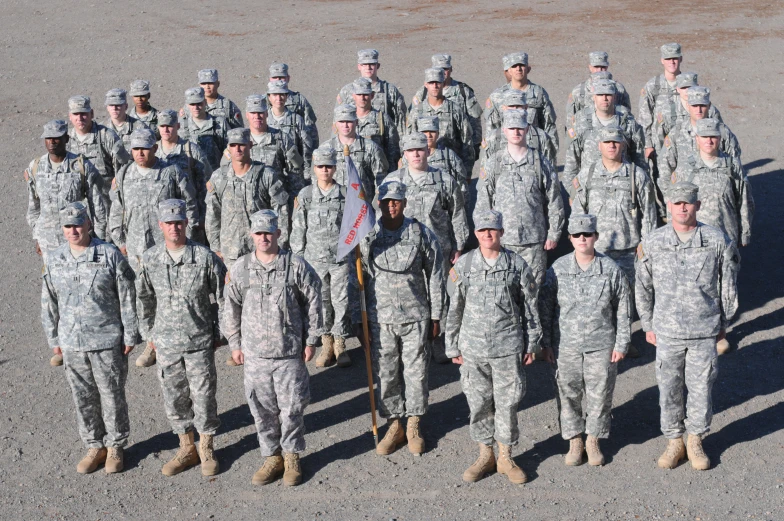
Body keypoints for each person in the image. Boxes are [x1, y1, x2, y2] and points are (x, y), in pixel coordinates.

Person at [636, 182, 740, 471]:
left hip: (703, 329)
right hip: (667, 330)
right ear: (668, 206)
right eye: (677, 202)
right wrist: (647, 323)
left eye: (688, 202)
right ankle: (674, 440)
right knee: (668, 388)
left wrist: (724, 321)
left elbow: (728, 284)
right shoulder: (654, 241)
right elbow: (643, 286)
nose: (682, 207)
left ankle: (695, 439)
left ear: (698, 205)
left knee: (700, 387)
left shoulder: (715, 239)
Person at [224, 209, 323, 486]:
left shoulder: (296, 265)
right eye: (258, 233)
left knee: (292, 408)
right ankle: (271, 456)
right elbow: (229, 307)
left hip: (289, 352)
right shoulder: (241, 268)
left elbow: (314, 301)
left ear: (279, 233)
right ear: (251, 235)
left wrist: (312, 339)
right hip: (255, 354)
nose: (264, 237)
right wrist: (234, 343)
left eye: (269, 232)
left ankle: (292, 456)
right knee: (262, 409)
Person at [41, 202, 139, 474]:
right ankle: (95, 445)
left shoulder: (108, 254)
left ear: (88, 224)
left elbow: (128, 296)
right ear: (63, 229)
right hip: (72, 341)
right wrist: (53, 338)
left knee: (111, 395)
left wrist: (130, 332)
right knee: (82, 396)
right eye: (68, 226)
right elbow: (48, 300)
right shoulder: (55, 258)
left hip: (106, 339)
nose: (74, 231)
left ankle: (116, 446)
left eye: (78, 224)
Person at [446, 209, 540, 484]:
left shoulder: (516, 265)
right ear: (476, 234)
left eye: (492, 230)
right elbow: (455, 307)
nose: (487, 234)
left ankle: (505, 456)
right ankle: (484, 454)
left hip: (507, 346)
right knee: (478, 403)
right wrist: (452, 345)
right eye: (482, 230)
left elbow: (530, 308)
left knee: (508, 404)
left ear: (501, 232)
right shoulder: (464, 265)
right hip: (472, 348)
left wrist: (532, 342)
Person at [354, 180, 445, 456]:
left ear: (404, 203)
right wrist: (359, 320)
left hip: (416, 316)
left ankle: (414, 423)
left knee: (416, 374)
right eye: (385, 201)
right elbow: (357, 279)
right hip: (380, 319)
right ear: (378, 204)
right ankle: (394, 425)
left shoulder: (420, 233)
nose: (390, 205)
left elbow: (437, 275)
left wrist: (437, 314)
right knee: (387, 374)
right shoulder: (368, 237)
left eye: (396, 200)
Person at [136, 199, 226, 477]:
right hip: (166, 343)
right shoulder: (150, 259)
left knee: (203, 396)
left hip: (199, 341)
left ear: (186, 223)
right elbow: (143, 298)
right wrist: (148, 334)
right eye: (169, 223)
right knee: (174, 397)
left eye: (179, 222)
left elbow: (224, 296)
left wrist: (220, 333)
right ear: (160, 225)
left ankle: (207, 447)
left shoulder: (204, 257)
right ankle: (186, 447)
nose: (174, 228)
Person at [540, 214, 631, 467]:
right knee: (567, 393)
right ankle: (574, 440)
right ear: (569, 238)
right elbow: (546, 308)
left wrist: (622, 343)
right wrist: (545, 343)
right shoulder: (558, 269)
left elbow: (623, 308)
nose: (582, 239)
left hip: (601, 344)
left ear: (596, 237)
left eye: (587, 234)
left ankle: (593, 439)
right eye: (577, 235)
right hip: (565, 345)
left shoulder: (610, 269)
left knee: (600, 393)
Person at [109, 128, 199, 368]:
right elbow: (117, 208)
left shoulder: (170, 172)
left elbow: (190, 203)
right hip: (137, 249)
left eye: (145, 149)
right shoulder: (125, 174)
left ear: (155, 149)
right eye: (136, 149)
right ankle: (152, 342)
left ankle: (173, 341)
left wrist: (186, 237)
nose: (140, 153)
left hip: (166, 246)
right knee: (143, 295)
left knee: (169, 293)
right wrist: (120, 241)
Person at [206, 128, 292, 367]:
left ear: (250, 146)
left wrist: (280, 244)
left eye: (242, 144)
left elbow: (282, 210)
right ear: (228, 148)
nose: (238, 149)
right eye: (233, 145)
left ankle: (267, 340)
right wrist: (215, 247)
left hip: (262, 249)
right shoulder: (219, 177)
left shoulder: (266, 175)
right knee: (232, 297)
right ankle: (236, 344)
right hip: (231, 249)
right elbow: (212, 214)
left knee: (265, 294)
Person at [571, 125, 657, 357]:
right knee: (596, 299)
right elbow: (578, 213)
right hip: (596, 250)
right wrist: (581, 246)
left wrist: (647, 248)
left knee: (625, 299)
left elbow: (649, 214)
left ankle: (624, 342)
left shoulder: (636, 175)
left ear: (624, 146)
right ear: (599, 146)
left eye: (616, 142)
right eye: (607, 142)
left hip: (628, 250)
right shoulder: (587, 174)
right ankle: (598, 343)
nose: (611, 145)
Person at [671, 119, 753, 355]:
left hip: (726, 234)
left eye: (713, 137)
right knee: (696, 284)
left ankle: (720, 332)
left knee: (724, 285)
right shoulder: (686, 167)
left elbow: (744, 200)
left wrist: (744, 231)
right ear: (696, 140)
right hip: (695, 237)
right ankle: (694, 333)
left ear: (719, 139)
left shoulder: (731, 165)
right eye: (704, 137)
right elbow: (676, 203)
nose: (709, 140)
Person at [389, 132, 468, 363]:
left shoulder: (444, 180)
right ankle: (415, 341)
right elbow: (381, 215)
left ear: (427, 151)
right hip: (404, 251)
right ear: (404, 154)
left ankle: (439, 339)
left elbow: (458, 214)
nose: (416, 154)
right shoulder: (393, 181)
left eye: (420, 150)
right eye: (411, 150)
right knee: (410, 295)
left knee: (440, 294)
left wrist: (459, 245)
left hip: (438, 249)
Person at [475, 110, 564, 285]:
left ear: (528, 129)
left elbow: (554, 200)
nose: (516, 132)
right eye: (512, 128)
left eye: (520, 128)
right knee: (505, 292)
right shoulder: (494, 163)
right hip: (502, 241)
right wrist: (484, 234)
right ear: (504, 131)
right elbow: (483, 202)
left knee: (534, 291)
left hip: (534, 242)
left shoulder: (540, 162)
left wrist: (554, 233)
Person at [291, 146, 352, 368]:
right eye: (320, 167)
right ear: (314, 169)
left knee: (341, 301)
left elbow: (355, 225)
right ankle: (326, 342)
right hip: (314, 260)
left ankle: (341, 343)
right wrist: (297, 258)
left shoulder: (346, 195)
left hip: (340, 259)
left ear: (335, 168)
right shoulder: (306, 195)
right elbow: (298, 228)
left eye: (328, 166)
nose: (325, 170)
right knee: (321, 302)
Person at [25, 120, 107, 260]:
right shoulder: (36, 167)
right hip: (48, 240)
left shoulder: (81, 166)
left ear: (66, 138)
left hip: (76, 238)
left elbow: (97, 206)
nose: (52, 142)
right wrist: (38, 236)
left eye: (56, 137)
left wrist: (98, 238)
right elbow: (34, 207)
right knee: (51, 280)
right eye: (48, 138)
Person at [564, 79, 647, 199]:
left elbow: (639, 161)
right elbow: (571, 165)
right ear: (593, 97)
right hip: (591, 193)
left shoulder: (628, 122)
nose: (604, 98)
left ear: (614, 97)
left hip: (623, 192)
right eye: (600, 95)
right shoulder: (580, 122)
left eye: (608, 94)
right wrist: (574, 195)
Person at [220, 94, 305, 198]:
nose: (257, 116)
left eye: (260, 112)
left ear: (266, 113)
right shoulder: (237, 140)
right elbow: (224, 169)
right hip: (245, 199)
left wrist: (294, 198)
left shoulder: (283, 138)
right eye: (253, 113)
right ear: (247, 115)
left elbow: (296, 169)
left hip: (274, 200)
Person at [155, 109, 213, 242]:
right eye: (162, 126)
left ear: (178, 126)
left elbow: (207, 184)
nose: (166, 130)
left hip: (189, 218)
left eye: (169, 126)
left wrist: (203, 216)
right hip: (163, 220)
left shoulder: (191, 150)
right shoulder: (153, 152)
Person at [658, 87, 741, 179]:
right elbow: (665, 166)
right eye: (695, 106)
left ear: (709, 106)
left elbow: (735, 164)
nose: (699, 110)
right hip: (686, 190)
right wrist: (669, 191)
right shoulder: (677, 133)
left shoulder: (722, 132)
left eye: (702, 105)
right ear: (688, 105)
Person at [483, 52, 558, 154]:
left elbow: (549, 125)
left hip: (534, 150)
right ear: (509, 70)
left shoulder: (538, 93)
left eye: (522, 65)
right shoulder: (497, 96)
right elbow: (491, 128)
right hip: (505, 151)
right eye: (514, 66)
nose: (518, 69)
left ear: (528, 68)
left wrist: (551, 151)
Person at [411, 54, 483, 160]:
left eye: (445, 68)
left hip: (454, 153)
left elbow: (475, 119)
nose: (443, 72)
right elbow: (413, 122)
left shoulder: (463, 91)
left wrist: (475, 146)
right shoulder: (423, 92)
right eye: (439, 69)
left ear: (451, 69)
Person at [66, 95, 131, 205]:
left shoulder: (107, 136)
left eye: (83, 114)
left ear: (91, 114)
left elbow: (126, 165)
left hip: (105, 202)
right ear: (70, 116)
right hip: (77, 206)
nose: (80, 118)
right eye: (75, 114)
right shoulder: (66, 139)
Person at [407, 67, 475, 172]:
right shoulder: (416, 112)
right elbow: (410, 141)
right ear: (426, 84)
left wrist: (467, 170)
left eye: (438, 82)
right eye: (431, 83)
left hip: (451, 166)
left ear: (443, 83)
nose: (435, 86)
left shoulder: (455, 110)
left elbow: (466, 141)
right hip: (424, 167)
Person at [321, 104, 388, 203]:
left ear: (356, 122)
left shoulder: (370, 147)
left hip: (362, 206)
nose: (345, 125)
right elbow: (318, 180)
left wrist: (376, 205)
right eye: (341, 122)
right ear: (335, 124)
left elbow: (381, 178)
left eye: (349, 121)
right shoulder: (325, 149)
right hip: (335, 206)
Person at [336, 49, 408, 135]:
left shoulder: (390, 90)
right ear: (359, 66)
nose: (368, 68)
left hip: (382, 141)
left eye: (371, 64)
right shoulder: (347, 91)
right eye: (364, 64)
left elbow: (400, 121)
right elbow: (337, 120)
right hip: (354, 143)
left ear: (377, 66)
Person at [481, 91, 557, 166]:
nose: (515, 109)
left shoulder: (540, 136)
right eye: (511, 106)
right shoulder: (492, 138)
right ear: (504, 108)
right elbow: (485, 169)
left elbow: (550, 167)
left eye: (519, 106)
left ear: (526, 107)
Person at [639, 43, 684, 162]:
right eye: (668, 59)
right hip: (658, 145)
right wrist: (648, 145)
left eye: (675, 58)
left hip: (684, 143)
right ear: (662, 61)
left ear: (681, 59)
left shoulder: (689, 86)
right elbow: (644, 117)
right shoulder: (653, 86)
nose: (672, 62)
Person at [565, 52, 631, 129]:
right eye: (596, 66)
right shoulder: (579, 91)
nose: (600, 70)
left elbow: (627, 116)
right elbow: (570, 120)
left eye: (603, 66)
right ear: (590, 67)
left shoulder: (619, 89)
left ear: (607, 67)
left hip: (613, 136)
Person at [349, 77, 400, 171]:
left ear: (372, 95)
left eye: (365, 94)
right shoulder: (345, 120)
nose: (362, 98)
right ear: (353, 96)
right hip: (352, 174)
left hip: (377, 173)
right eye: (359, 94)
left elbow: (393, 151)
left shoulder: (382, 119)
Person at [266, 80, 314, 171]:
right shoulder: (264, 119)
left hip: (293, 170)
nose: (279, 98)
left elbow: (306, 146)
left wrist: (307, 169)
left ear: (287, 96)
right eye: (275, 95)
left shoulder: (296, 119)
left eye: (282, 95)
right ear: (269, 97)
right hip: (271, 170)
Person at [268, 62, 319, 146]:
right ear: (270, 79)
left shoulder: (298, 100)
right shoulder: (262, 101)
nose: (278, 80)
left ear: (288, 78)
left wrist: (313, 152)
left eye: (281, 77)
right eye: (274, 77)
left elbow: (310, 128)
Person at [179, 87, 229, 171]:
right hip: (192, 177)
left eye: (199, 103)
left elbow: (229, 150)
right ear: (187, 105)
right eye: (192, 104)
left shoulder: (219, 123)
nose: (196, 107)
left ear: (205, 102)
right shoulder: (182, 126)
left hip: (215, 174)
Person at [102, 88, 148, 154]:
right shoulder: (102, 129)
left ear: (126, 106)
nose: (114, 108)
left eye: (118, 105)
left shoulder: (140, 127)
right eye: (111, 105)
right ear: (107, 108)